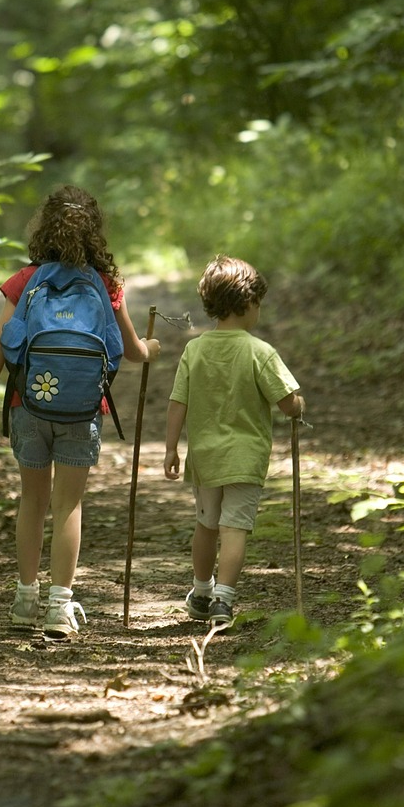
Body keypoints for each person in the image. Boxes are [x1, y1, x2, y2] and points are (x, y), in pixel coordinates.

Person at [0, 185, 161, 638]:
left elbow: (0, 343)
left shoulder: (25, 280)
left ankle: (24, 599)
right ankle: (60, 606)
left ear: (44, 228)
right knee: (68, 504)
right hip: (81, 410)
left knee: (32, 502)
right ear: (95, 232)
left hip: (27, 404)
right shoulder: (106, 283)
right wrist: (151, 347)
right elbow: (133, 351)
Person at [163, 255, 304, 630]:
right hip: (245, 458)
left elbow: (178, 401)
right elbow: (288, 402)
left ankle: (201, 591)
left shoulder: (195, 350)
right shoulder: (260, 352)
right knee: (235, 528)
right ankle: (224, 599)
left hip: (206, 457)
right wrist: (299, 406)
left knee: (206, 524)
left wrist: (170, 448)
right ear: (248, 303)